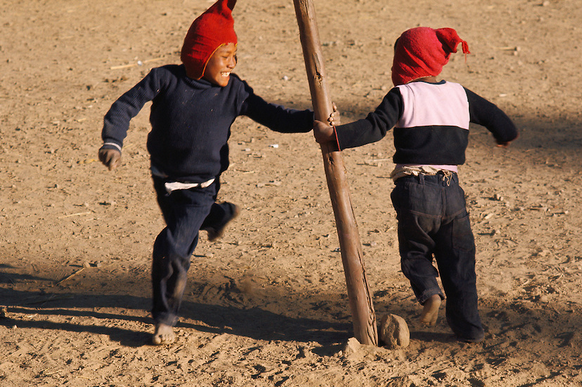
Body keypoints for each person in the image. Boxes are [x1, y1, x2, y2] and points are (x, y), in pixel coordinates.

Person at [99, 0, 317, 345]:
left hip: (201, 185)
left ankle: (164, 318)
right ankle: (220, 215)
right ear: (201, 56)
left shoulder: (235, 91)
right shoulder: (164, 79)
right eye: (225, 54)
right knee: (183, 228)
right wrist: (113, 141)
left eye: (235, 55)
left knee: (172, 243)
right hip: (163, 178)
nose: (232, 62)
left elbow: (275, 117)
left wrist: (313, 118)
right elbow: (125, 105)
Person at [314, 27, 518, 343]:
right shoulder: (460, 94)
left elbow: (374, 128)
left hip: (414, 190)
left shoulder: (403, 95)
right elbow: (497, 118)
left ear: (404, 62)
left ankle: (430, 292)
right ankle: (470, 329)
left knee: (415, 250)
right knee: (460, 262)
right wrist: (504, 135)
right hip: (452, 192)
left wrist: (334, 136)